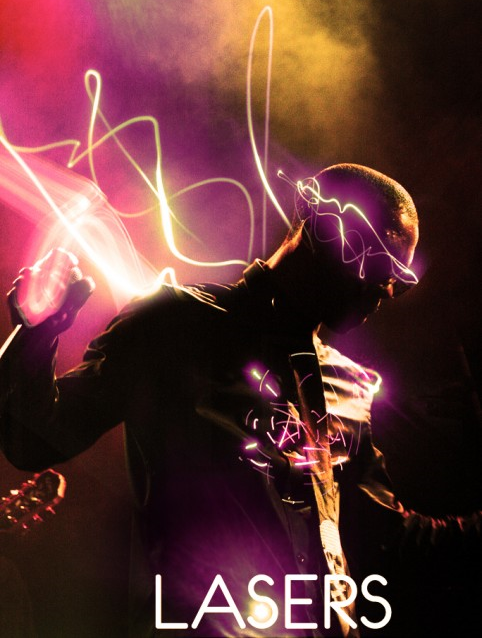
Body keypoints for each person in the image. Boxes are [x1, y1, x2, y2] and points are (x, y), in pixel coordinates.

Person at [0, 164, 419, 637]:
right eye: (380, 265)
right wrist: (35, 335)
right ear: (319, 223)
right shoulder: (174, 324)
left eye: (399, 279)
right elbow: (36, 440)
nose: (387, 289)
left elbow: (387, 538)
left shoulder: (349, 386)